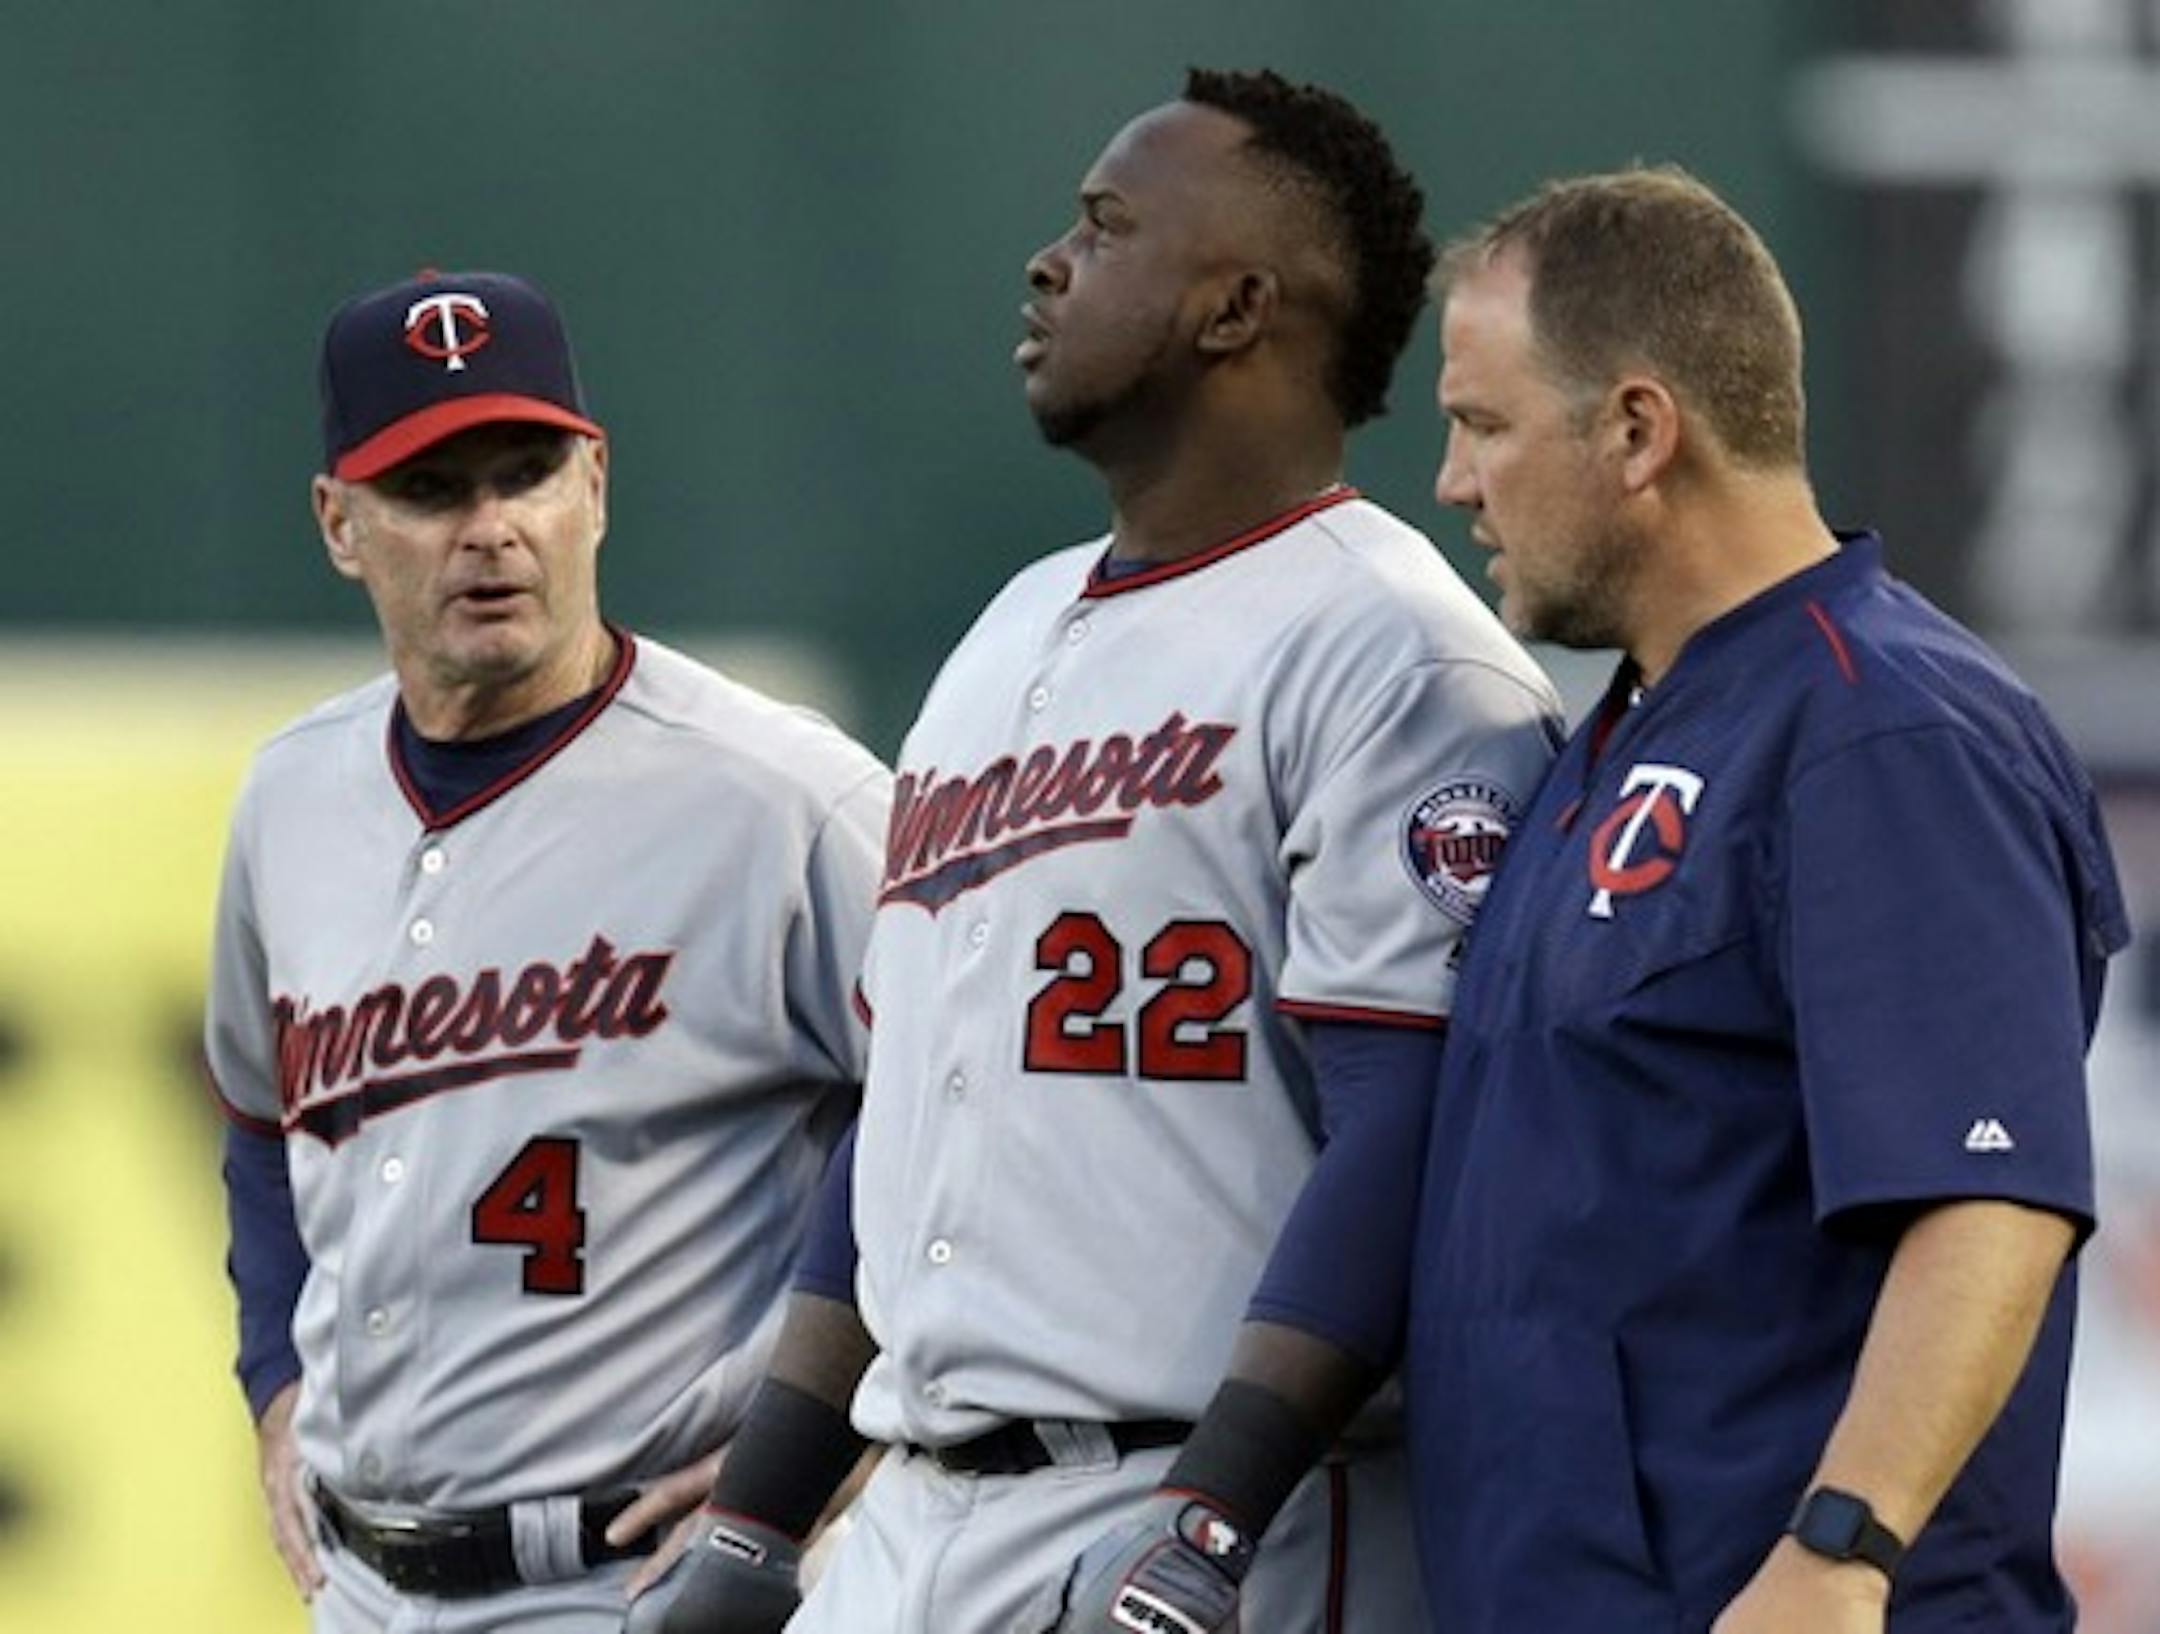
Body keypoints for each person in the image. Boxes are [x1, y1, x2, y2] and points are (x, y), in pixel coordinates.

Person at [634, 68, 1561, 1634]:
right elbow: (910, 1103)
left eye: (1105, 226)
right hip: (917, 1506)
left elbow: (1408, 1128)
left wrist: (1212, 1512)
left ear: (1234, 307)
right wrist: (757, 1510)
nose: (1048, 260)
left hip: (1205, 1512)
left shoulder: (1396, 652)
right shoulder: (1012, 627)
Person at [1406, 165, 2132, 1632]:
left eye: (1483, 425)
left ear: (1636, 429)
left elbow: (1989, 1197)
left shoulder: (1888, 731)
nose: (1455, 483)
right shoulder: (1619, 738)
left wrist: (1842, 1548)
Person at [204, 267, 892, 1632]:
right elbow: (256, 1116)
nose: (491, 529)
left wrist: (827, 1441)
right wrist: (274, 1374)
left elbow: (966, 1109)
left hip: (637, 1581)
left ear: (596, 484)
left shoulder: (783, 797)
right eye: (432, 489)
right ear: (340, 523)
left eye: (526, 473)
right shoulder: (290, 797)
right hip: (356, 1583)